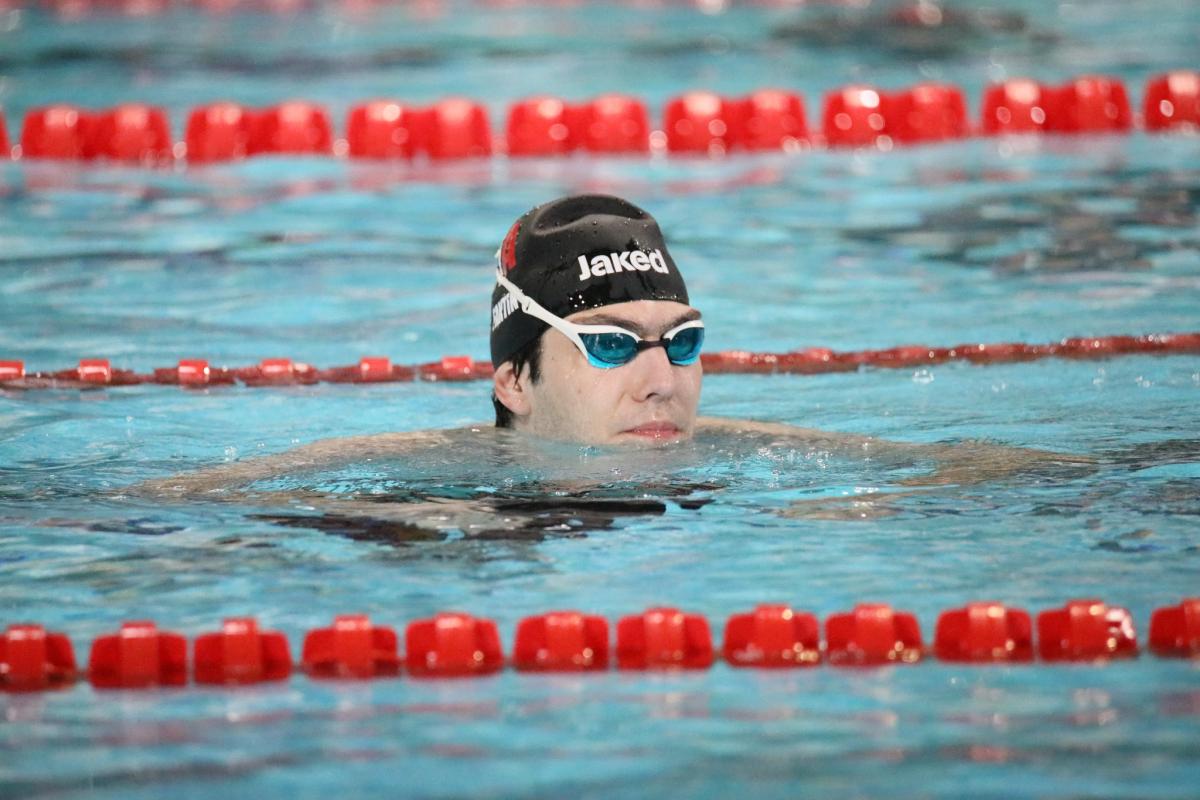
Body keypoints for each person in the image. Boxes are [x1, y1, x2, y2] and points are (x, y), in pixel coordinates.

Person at [133, 194, 1089, 526]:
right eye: (607, 345)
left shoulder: (747, 452)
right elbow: (178, 505)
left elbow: (985, 471)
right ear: (512, 379)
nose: (662, 378)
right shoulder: (435, 476)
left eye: (684, 341)